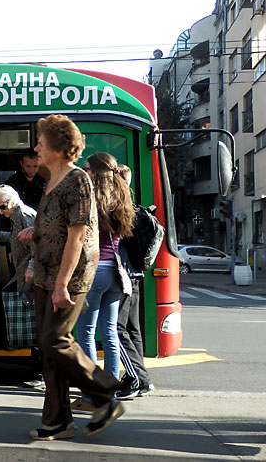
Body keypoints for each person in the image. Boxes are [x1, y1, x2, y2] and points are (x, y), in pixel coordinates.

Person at [18, 114, 123, 441]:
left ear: (60, 146)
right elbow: (56, 227)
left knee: (56, 340)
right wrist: (34, 234)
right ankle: (57, 421)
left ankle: (106, 393)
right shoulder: (51, 179)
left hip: (70, 276)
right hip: (45, 274)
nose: (36, 147)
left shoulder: (77, 180)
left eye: (41, 142)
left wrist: (62, 283)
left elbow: (78, 235)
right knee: (48, 350)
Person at [73, 152, 136, 412]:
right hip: (116, 273)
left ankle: (91, 397)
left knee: (85, 333)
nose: (83, 170)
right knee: (109, 333)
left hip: (94, 270)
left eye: (86, 167)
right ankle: (109, 393)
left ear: (95, 171)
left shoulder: (89, 199)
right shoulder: (122, 196)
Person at [0, 184, 41, 387]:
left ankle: (41, 375)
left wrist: (30, 268)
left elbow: (36, 244)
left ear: (11, 202)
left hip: (30, 277)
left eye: (2, 207)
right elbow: (17, 239)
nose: (1, 212)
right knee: (34, 323)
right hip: (25, 276)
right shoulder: (17, 215)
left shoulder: (25, 214)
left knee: (36, 324)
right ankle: (38, 373)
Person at [115, 164, 155, 399]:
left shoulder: (119, 209)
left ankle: (139, 379)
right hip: (135, 273)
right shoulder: (135, 208)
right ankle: (138, 377)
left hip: (123, 274)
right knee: (133, 328)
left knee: (116, 328)